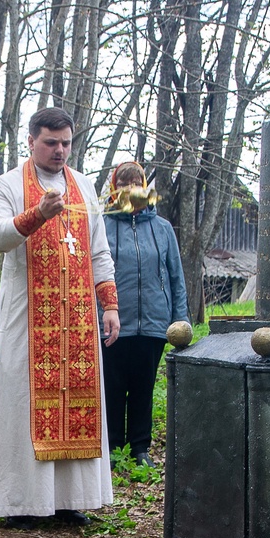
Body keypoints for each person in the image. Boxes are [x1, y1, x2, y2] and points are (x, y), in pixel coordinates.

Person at [0, 107, 120, 530]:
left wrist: (108, 303)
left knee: (75, 402)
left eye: (65, 143)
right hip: (28, 318)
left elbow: (99, 249)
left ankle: (68, 500)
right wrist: (37, 213)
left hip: (76, 320)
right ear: (31, 141)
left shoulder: (84, 186)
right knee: (22, 403)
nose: (59, 150)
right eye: (50, 142)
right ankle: (20, 501)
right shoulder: (7, 184)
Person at [101, 161, 188, 468]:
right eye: (123, 183)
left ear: (144, 185)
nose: (130, 187)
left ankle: (140, 448)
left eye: (135, 181)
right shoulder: (103, 225)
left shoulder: (162, 229)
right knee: (111, 387)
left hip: (153, 322)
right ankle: (112, 448)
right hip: (112, 322)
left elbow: (176, 276)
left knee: (143, 386)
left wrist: (181, 319)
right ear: (114, 188)